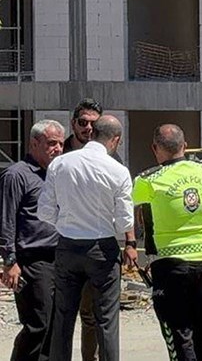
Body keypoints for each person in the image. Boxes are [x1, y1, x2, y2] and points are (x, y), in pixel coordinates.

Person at [38, 115, 134, 361]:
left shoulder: (61, 164)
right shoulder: (118, 171)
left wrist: (66, 223)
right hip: (102, 248)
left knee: (63, 317)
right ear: (116, 140)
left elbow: (44, 211)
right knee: (106, 320)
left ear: (91, 133)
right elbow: (125, 222)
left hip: (68, 246)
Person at [132, 124, 202, 361]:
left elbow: (130, 214)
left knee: (179, 334)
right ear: (185, 146)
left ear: (154, 148)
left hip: (169, 265)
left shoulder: (146, 180)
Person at [62, 98, 126, 361]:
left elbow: (123, 201)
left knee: (91, 313)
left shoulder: (113, 158)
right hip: (62, 243)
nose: (88, 128)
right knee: (60, 314)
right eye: (82, 122)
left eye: (93, 123)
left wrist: (130, 242)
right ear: (73, 123)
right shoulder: (59, 152)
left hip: (97, 242)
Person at [0, 120, 65, 360]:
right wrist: (9, 261)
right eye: (51, 143)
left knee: (56, 325)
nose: (57, 149)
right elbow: (5, 220)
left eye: (60, 144)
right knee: (39, 324)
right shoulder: (17, 175)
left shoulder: (57, 174)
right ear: (34, 143)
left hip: (58, 259)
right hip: (32, 261)